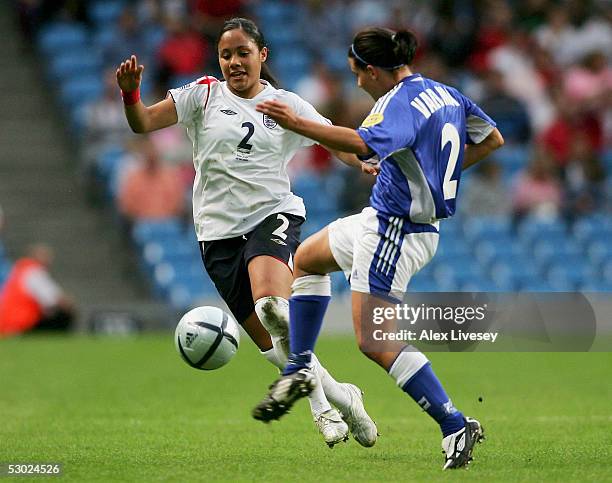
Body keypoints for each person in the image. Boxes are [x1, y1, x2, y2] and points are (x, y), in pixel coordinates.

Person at [115, 17, 378, 448]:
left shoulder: (285, 104)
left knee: (275, 308)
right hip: (216, 236)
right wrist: (129, 93)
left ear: (262, 56)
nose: (234, 62)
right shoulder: (201, 95)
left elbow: (332, 140)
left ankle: (322, 410)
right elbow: (141, 123)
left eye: (243, 53)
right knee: (273, 347)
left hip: (271, 217)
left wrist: (361, 161)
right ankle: (344, 396)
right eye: (226, 55)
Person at [252, 27, 504, 470]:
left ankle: (453, 423)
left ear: (372, 70)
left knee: (374, 340)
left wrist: (296, 122)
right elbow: (491, 139)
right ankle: (299, 367)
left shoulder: (396, 102)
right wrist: (428, 174)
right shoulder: (443, 93)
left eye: (357, 75)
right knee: (307, 261)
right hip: (382, 219)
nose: (357, 84)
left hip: (396, 230)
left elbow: (361, 143)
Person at [0, 244, 75, 336]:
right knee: (64, 314)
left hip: (7, 323)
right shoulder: (34, 271)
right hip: (21, 323)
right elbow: (55, 299)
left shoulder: (20, 269)